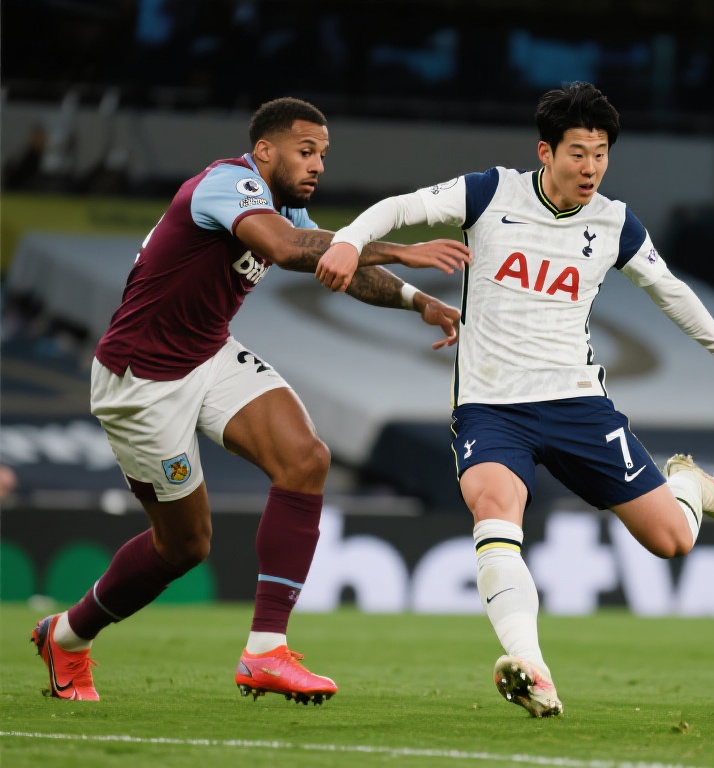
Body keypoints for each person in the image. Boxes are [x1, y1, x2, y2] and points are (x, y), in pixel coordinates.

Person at [317, 81, 714, 717]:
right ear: (546, 151)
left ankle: (686, 481)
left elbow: (670, 290)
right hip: (490, 408)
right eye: (578, 153)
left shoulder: (615, 222)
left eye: (601, 154)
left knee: (673, 541)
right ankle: (530, 667)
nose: (591, 167)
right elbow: (401, 209)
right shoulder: (490, 193)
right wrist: (348, 240)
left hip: (577, 406)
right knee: (493, 508)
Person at [31, 97, 471, 705]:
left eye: (323, 154)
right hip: (141, 380)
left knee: (306, 459)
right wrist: (397, 248)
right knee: (184, 546)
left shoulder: (282, 206)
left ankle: (266, 651)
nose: (317, 165)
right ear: (264, 150)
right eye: (305, 151)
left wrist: (415, 300)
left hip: (207, 353)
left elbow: (330, 260)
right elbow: (290, 249)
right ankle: (67, 636)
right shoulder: (224, 184)